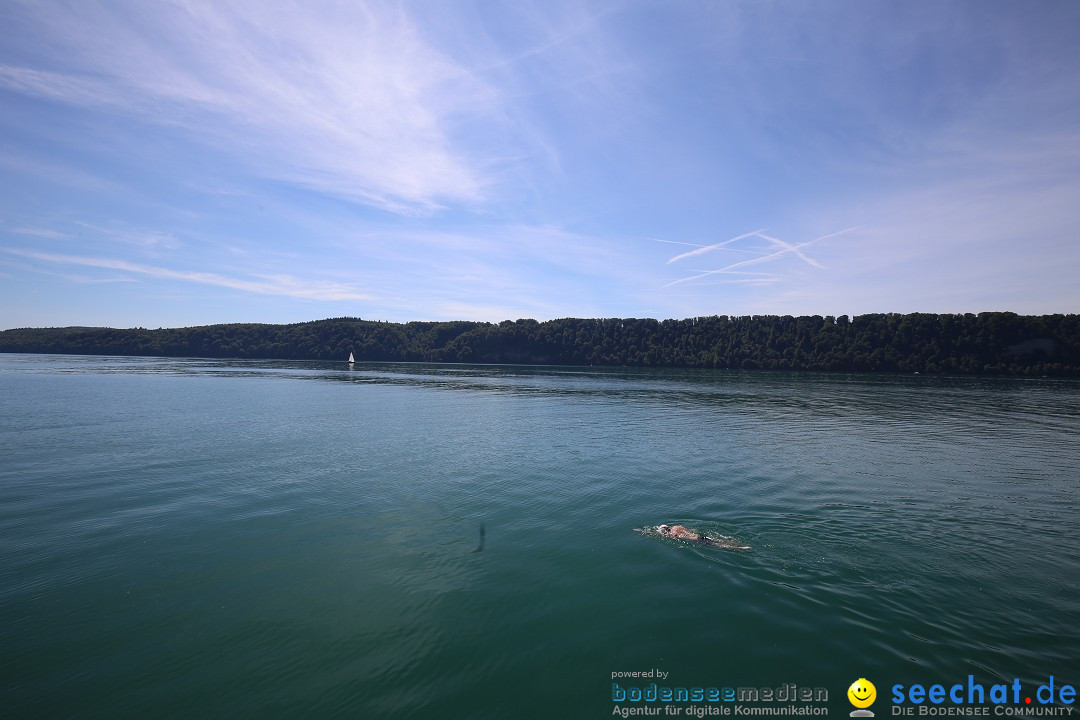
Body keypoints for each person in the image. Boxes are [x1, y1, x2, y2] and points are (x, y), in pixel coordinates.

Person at [656, 524, 750, 550]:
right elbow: (691, 531)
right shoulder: (677, 526)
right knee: (719, 541)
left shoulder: (672, 535)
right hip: (700, 536)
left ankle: (739, 548)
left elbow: (662, 535)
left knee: (720, 545)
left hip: (699, 540)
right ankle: (737, 546)